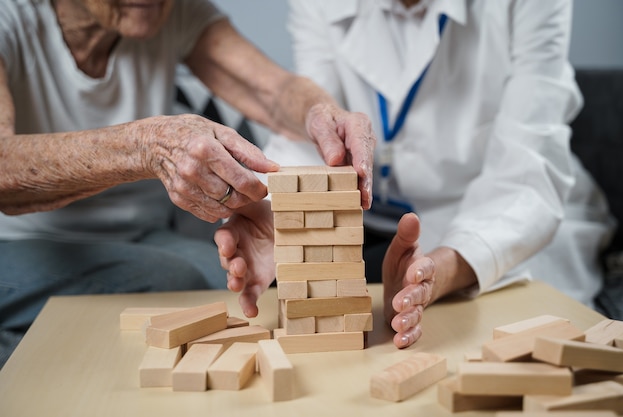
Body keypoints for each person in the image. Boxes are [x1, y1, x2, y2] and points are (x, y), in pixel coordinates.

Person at [215, 0, 615, 349]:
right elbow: (312, 132)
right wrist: (278, 209)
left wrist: (441, 272)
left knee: (513, 329)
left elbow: (528, 161)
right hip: (369, 216)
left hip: (501, 211)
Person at [0, 0, 375, 367]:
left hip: (140, 236)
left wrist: (321, 112)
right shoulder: (10, 19)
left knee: (223, 281)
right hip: (20, 243)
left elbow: (273, 91)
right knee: (173, 278)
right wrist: (146, 145)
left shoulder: (170, 11)